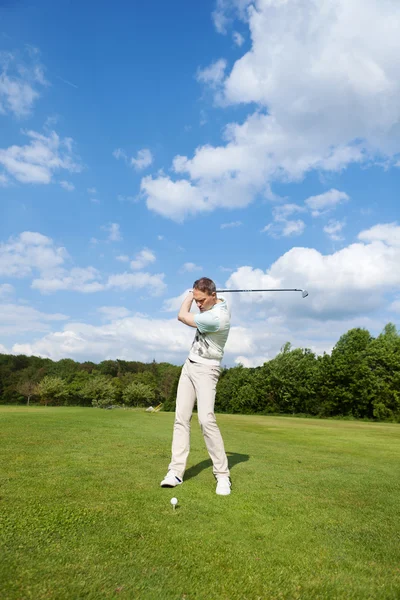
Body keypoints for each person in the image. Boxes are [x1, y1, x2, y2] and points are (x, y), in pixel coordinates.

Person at [160, 277, 232, 496]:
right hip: (189, 366)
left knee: (206, 419)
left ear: (212, 296)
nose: (198, 304)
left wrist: (189, 295)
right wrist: (197, 293)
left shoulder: (217, 317)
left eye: (201, 300)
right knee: (181, 418)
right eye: (196, 299)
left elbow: (182, 316)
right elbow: (211, 299)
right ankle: (175, 472)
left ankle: (222, 476)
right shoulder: (217, 301)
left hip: (207, 370)